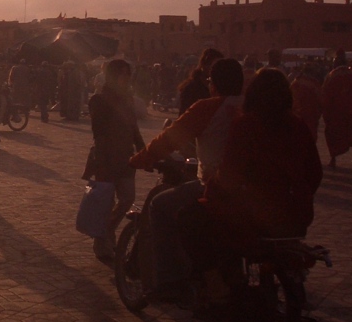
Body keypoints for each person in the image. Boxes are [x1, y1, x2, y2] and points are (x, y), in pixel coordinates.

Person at [182, 68, 323, 302]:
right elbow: (314, 173)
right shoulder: (297, 126)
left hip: (253, 217)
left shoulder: (247, 125)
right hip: (295, 217)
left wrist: (214, 188)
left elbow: (229, 175)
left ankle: (216, 284)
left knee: (189, 218)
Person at [129, 58, 246, 294]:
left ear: (213, 84)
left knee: (159, 205)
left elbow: (170, 139)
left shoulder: (208, 108)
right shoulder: (253, 107)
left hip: (216, 187)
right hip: (253, 190)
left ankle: (170, 280)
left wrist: (141, 158)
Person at [83, 59, 145, 259]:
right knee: (105, 202)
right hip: (106, 157)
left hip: (126, 157)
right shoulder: (99, 100)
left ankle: (107, 230)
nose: (126, 78)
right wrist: (101, 161)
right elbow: (98, 133)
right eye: (122, 74)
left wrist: (144, 151)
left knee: (127, 198)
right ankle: (101, 242)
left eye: (128, 74)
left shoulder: (128, 99)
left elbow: (134, 129)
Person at [321, 53, 352, 168]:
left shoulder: (331, 76)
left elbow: (326, 94)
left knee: (334, 133)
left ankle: (333, 159)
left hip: (337, 111)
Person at [178, 48, 223, 116]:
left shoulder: (222, 87)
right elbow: (183, 115)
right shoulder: (191, 88)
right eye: (213, 66)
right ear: (204, 65)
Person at [290, 63, 323, 142]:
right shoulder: (314, 83)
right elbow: (320, 99)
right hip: (311, 115)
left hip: (297, 115)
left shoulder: (295, 82)